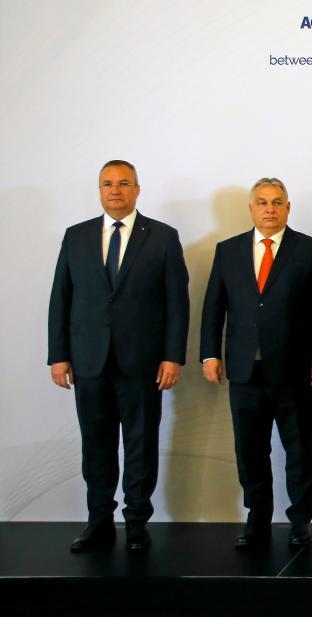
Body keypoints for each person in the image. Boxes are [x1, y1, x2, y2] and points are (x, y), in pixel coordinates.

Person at [47, 160, 189, 552]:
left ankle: (137, 522)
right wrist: (58, 355)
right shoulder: (76, 236)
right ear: (99, 190)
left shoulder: (162, 237)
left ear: (137, 189)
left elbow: (177, 303)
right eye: (108, 184)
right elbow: (61, 297)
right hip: (88, 360)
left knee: (141, 444)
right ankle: (99, 521)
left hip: (142, 361)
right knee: (97, 444)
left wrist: (172, 356)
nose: (115, 190)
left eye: (124, 183)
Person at [199, 178, 312, 549]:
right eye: (262, 202)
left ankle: (300, 520)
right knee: (250, 450)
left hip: (296, 369)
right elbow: (213, 306)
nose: (270, 209)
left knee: (300, 450)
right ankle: (257, 518)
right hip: (244, 369)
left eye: (277, 202)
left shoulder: (311, 250)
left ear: (288, 207)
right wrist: (210, 353)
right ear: (251, 208)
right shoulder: (228, 250)